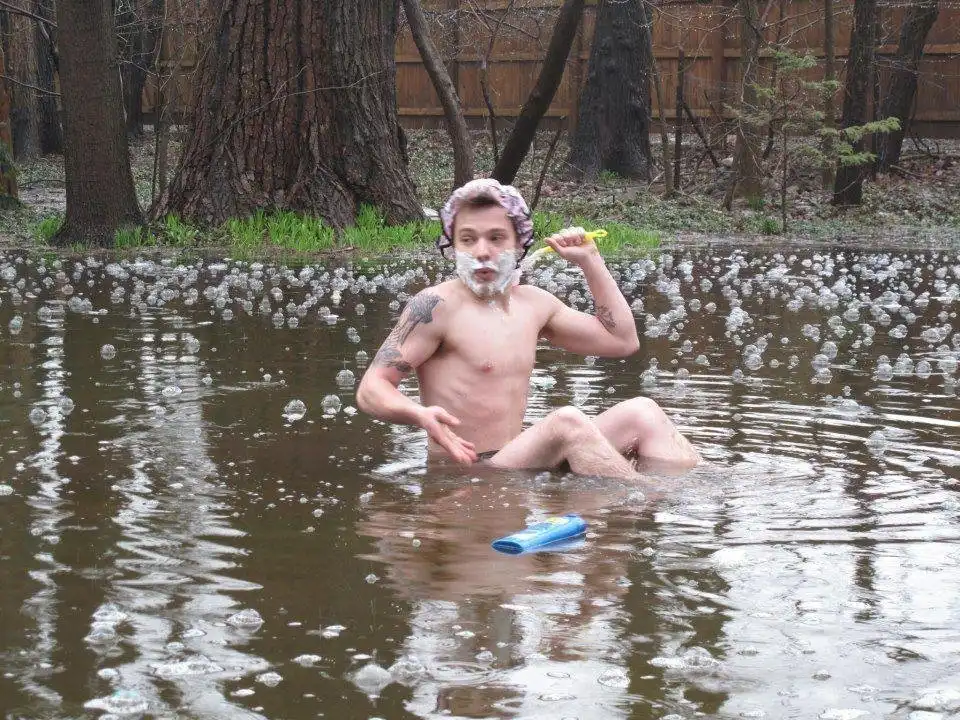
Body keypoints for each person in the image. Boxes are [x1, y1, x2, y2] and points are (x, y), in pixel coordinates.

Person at [356, 178, 700, 480]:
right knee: (567, 423)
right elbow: (371, 388)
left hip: (521, 460)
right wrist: (419, 414)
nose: (482, 252)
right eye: (468, 239)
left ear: (519, 245)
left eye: (496, 238)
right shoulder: (436, 306)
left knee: (643, 413)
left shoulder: (534, 304)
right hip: (469, 471)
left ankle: (689, 495)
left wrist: (591, 261)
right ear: (453, 247)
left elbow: (622, 340)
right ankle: (641, 497)